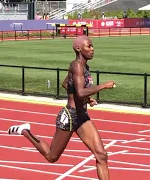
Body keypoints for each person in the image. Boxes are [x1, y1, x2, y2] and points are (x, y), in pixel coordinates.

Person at [7, 36, 116, 180]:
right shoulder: (76, 65)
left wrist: (87, 99)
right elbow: (80, 91)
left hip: (82, 116)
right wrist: (103, 86)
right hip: (70, 116)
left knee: (101, 155)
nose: (92, 49)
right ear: (78, 48)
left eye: (92, 46)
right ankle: (25, 131)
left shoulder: (85, 67)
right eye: (89, 46)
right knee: (52, 156)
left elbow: (67, 84)